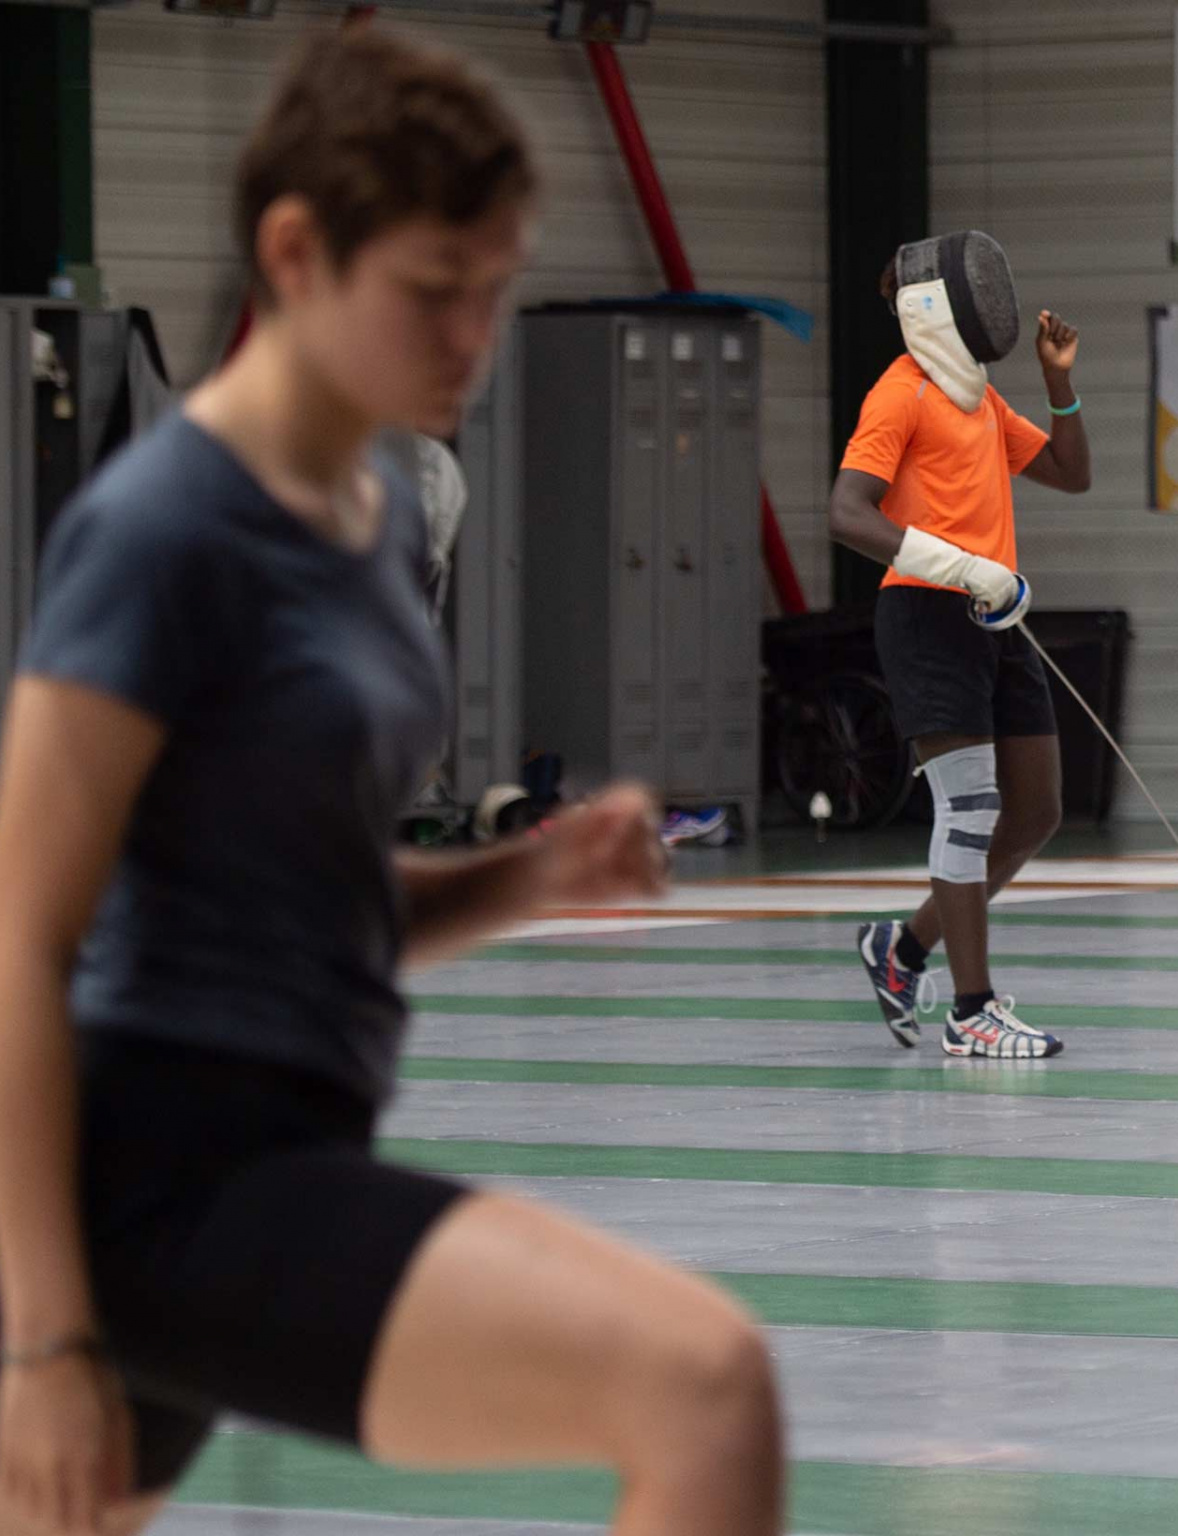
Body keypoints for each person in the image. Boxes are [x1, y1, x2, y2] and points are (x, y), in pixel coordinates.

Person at [0, 30, 782, 1536]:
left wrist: (528, 879)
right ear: (296, 251)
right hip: (153, 1184)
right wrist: (42, 1340)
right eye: (435, 287)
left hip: (276, 1149)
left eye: (495, 287)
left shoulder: (362, 521)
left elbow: (311, 905)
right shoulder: (162, 533)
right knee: (703, 1388)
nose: (473, 334)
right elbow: (25, 939)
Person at [828, 231, 1091, 1059]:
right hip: (926, 614)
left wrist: (1059, 385)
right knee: (971, 812)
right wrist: (963, 566)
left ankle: (901, 951)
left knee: (1037, 809)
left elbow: (1071, 474)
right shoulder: (898, 394)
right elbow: (847, 513)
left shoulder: (977, 397)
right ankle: (971, 1012)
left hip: (995, 617)